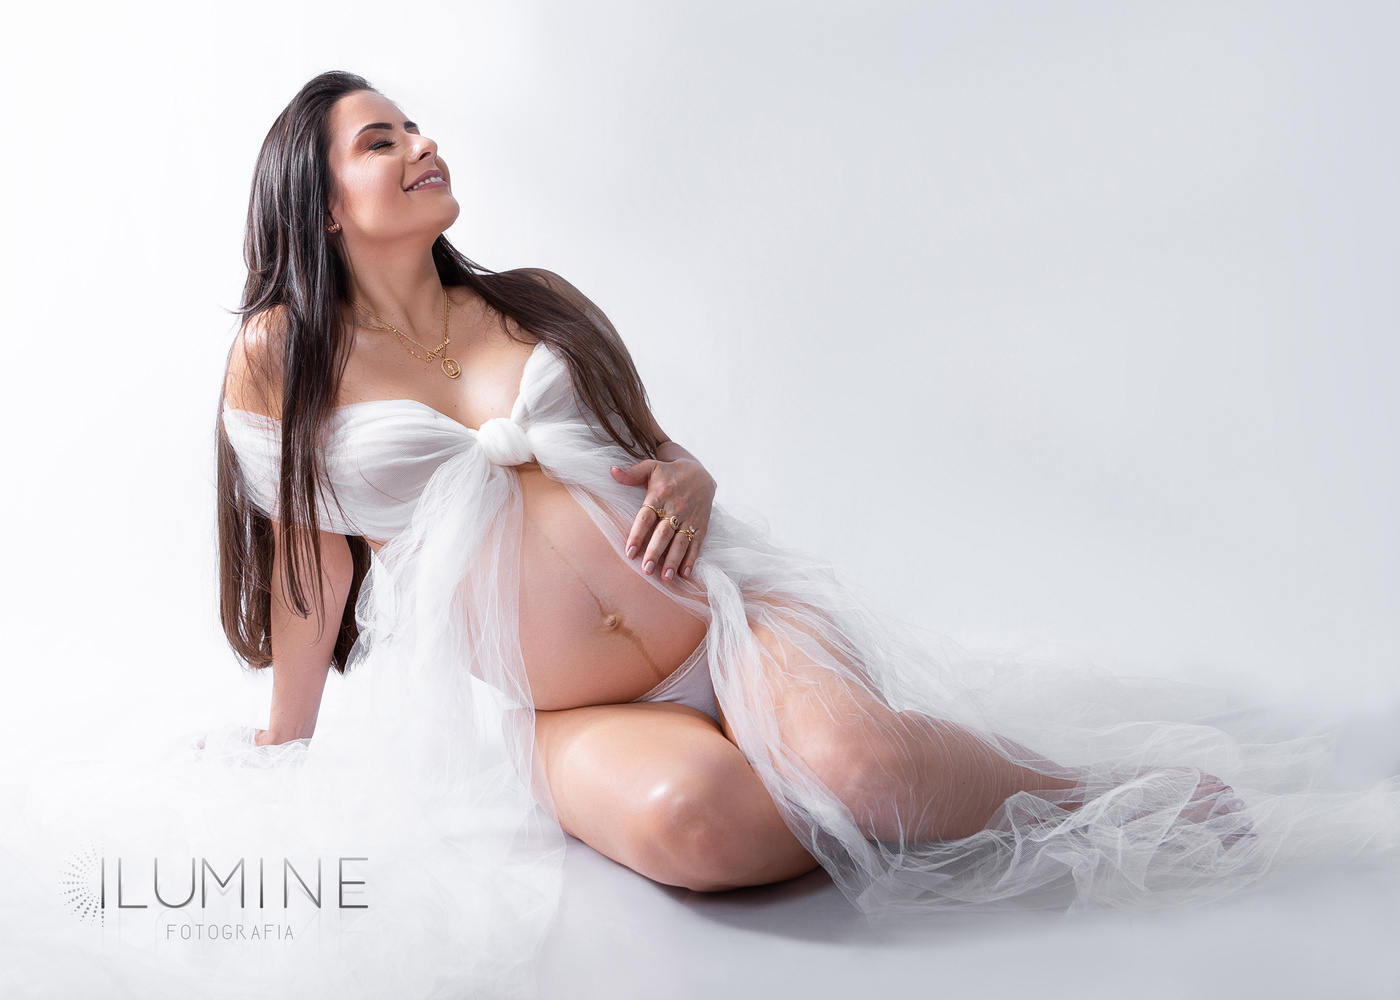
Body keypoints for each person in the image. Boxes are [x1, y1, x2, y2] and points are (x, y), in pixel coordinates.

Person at [215, 69, 1396, 934]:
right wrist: (287, 737)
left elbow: (649, 451)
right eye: (382, 139)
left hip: (721, 615)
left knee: (860, 767)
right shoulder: (282, 357)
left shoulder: (529, 302)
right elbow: (312, 563)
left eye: (418, 125)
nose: (423, 142)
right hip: (573, 708)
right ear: (320, 204)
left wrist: (693, 474)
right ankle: (861, 795)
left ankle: (1072, 794)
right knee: (691, 825)